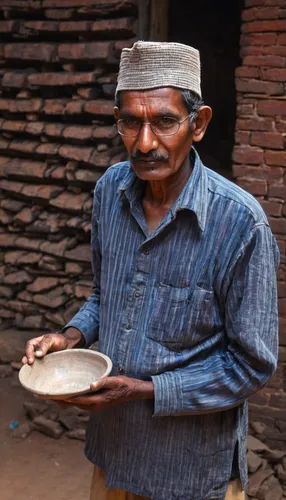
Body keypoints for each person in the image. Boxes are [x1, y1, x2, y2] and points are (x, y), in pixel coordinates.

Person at [23, 41, 279, 500]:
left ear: (197, 124)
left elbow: (251, 366)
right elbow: (108, 295)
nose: (144, 143)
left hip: (190, 470)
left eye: (164, 121)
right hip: (116, 452)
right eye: (130, 122)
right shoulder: (110, 192)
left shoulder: (239, 224)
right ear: (116, 119)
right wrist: (72, 337)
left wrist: (144, 390)